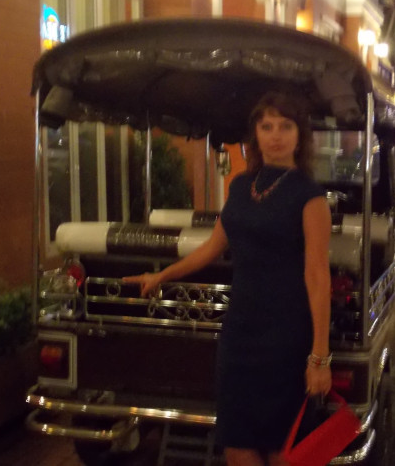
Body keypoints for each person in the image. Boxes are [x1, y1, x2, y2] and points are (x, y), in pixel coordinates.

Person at [123, 91, 332, 466]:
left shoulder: (309, 196)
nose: (276, 135)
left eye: (285, 126)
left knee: (282, 448)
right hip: (240, 331)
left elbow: (317, 275)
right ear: (255, 135)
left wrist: (319, 357)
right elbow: (212, 247)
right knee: (236, 442)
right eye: (266, 126)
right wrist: (162, 275)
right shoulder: (240, 186)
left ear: (300, 136)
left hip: (285, 334)